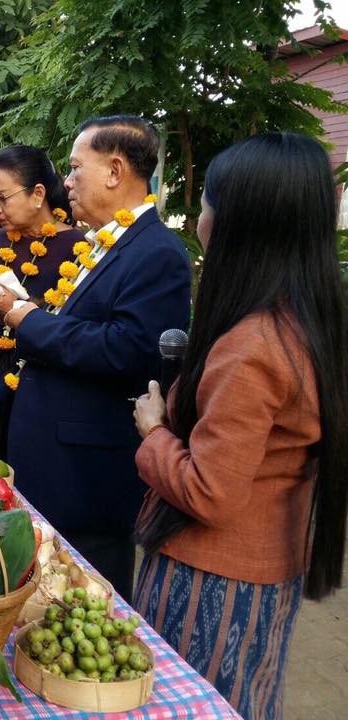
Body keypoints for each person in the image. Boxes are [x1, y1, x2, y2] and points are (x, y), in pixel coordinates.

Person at [131, 133, 348, 720]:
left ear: (239, 225)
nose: (199, 217)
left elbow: (210, 490)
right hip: (268, 565)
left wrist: (154, 432)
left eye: (206, 204)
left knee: (197, 704)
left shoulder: (254, 345)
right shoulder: (307, 319)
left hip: (214, 577)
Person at [0, 116, 192, 600]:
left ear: (115, 171)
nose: (68, 181)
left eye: (77, 168)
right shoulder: (101, 244)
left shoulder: (157, 252)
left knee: (84, 604)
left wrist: (24, 316)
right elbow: (54, 349)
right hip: (50, 465)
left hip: (87, 483)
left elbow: (130, 351)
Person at [0, 145, 83, 455]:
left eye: (3, 198)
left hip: (34, 373)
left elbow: (68, 323)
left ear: (38, 193)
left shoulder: (78, 248)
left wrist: (16, 308)